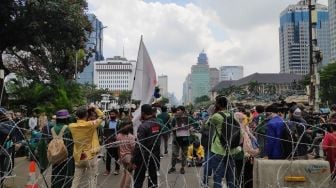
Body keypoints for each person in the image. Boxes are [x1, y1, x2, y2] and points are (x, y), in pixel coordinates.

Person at [205, 95, 240, 188]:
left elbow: (206, 125)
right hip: (231, 149)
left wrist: (212, 113)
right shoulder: (233, 115)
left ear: (218, 105)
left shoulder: (216, 116)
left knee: (217, 175)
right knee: (230, 175)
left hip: (218, 149)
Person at [69, 105, 104, 188]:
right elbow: (102, 116)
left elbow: (71, 118)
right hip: (90, 157)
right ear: (87, 115)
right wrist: (95, 108)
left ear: (77, 116)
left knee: (76, 180)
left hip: (78, 157)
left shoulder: (71, 126)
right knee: (92, 179)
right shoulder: (91, 125)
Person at [132, 104, 161, 188]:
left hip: (143, 157)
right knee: (153, 178)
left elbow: (139, 145)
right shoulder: (157, 123)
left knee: (138, 179)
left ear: (143, 113)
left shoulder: (143, 126)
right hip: (155, 155)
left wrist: (134, 159)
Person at [168, 105, 199, 174]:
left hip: (185, 140)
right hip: (176, 140)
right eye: (177, 110)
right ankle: (173, 167)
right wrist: (174, 129)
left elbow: (196, 125)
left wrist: (192, 128)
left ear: (183, 111)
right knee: (174, 154)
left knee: (184, 155)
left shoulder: (188, 119)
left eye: (179, 110)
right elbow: (171, 128)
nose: (177, 111)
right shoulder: (174, 119)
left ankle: (182, 167)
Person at [50, 109, 74, 188]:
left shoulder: (52, 128)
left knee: (56, 176)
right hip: (66, 157)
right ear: (65, 119)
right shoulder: (67, 128)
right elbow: (71, 143)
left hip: (55, 156)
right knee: (67, 177)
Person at [116, 121, 135, 188]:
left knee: (124, 172)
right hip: (129, 157)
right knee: (129, 174)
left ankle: (121, 186)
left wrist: (120, 158)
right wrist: (132, 160)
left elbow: (118, 148)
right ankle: (126, 186)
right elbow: (133, 149)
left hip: (122, 157)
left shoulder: (118, 135)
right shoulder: (131, 137)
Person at [0, 107, 16, 187]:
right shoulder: (10, 124)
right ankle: (1, 183)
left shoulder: (2, 126)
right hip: (5, 149)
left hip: (3, 148)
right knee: (2, 167)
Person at [103, 109, 121, 176]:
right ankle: (107, 170)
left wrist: (118, 137)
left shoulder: (119, 122)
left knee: (117, 156)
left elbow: (121, 131)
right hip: (109, 141)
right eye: (110, 114)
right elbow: (105, 130)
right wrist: (104, 136)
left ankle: (117, 169)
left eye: (113, 114)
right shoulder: (107, 122)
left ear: (116, 114)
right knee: (108, 157)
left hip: (117, 141)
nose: (111, 115)